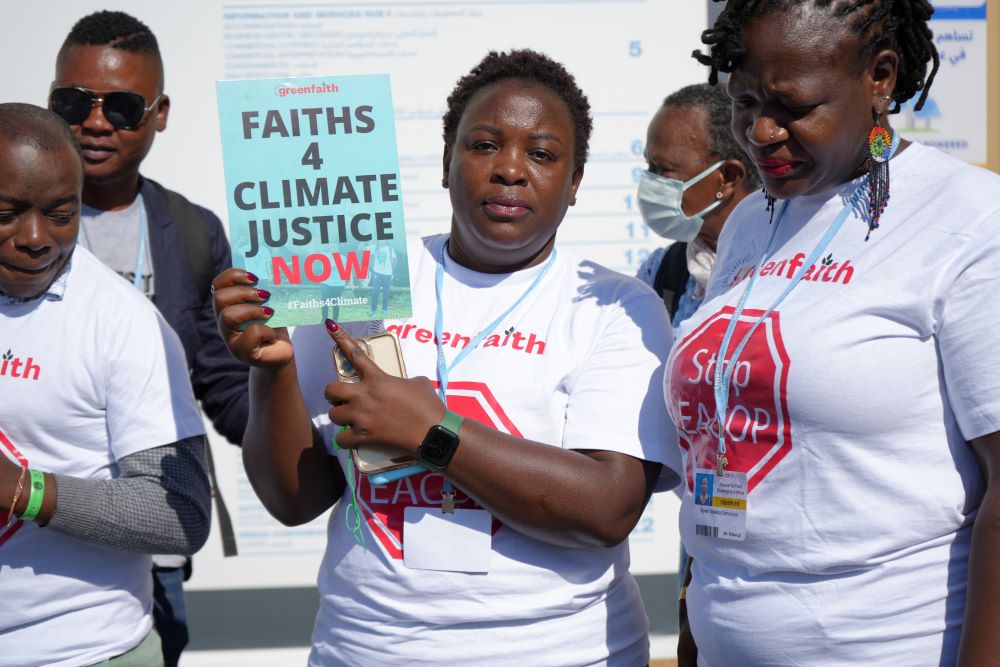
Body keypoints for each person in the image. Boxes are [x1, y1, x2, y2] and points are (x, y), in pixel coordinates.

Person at [212, 49, 680, 665]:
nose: (510, 170)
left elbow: (606, 508)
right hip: (365, 649)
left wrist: (434, 431)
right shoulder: (364, 282)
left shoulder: (615, 307)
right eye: (484, 145)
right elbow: (293, 500)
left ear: (574, 184)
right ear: (445, 162)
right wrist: (271, 369)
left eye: (541, 154)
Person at [665, 1, 1000, 664]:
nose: (760, 130)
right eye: (745, 101)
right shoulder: (750, 222)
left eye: (792, 105)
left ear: (879, 76)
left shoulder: (968, 218)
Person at [48, 11, 250, 666]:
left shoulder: (192, 233)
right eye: (74, 102)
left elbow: (224, 386)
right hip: (21, 535)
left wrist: (308, 407)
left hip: (149, 547)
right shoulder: (16, 223)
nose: (95, 121)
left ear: (160, 113)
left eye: (123, 106)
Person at [0, 103, 210, 666]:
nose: (37, 238)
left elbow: (180, 512)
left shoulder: (124, 320)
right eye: (7, 213)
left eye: (61, 213)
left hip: (85, 651)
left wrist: (23, 491)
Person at [635, 83, 758, 329]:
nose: (650, 181)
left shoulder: (784, 267)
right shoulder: (663, 271)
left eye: (662, 170)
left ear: (727, 176)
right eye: (649, 166)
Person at [365, 239, 397, 316]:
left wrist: (392, 270)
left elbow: (395, 259)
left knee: (386, 292)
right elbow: (364, 249)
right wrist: (362, 244)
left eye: (383, 239)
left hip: (387, 274)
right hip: (377, 274)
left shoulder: (390, 248)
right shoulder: (375, 247)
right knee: (375, 292)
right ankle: (372, 310)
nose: (381, 241)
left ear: (385, 240)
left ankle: (385, 310)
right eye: (379, 239)